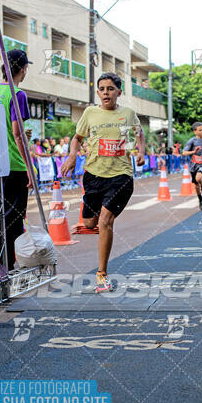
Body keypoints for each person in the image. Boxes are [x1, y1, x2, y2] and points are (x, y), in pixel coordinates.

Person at [61, 72, 145, 292]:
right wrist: (72, 156)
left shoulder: (128, 113)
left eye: (110, 88)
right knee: (90, 224)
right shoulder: (90, 113)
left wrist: (141, 152)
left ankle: (102, 274)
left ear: (119, 92)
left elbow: (140, 133)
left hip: (121, 176)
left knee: (106, 221)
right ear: (97, 92)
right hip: (93, 175)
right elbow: (77, 138)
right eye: (102, 89)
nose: (106, 92)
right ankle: (90, 222)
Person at [0, 49, 33, 271]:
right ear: (23, 69)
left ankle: (1, 262)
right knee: (15, 217)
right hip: (15, 164)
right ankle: (10, 266)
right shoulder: (17, 94)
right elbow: (17, 134)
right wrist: (30, 168)